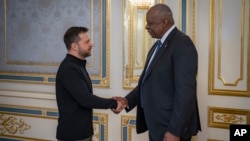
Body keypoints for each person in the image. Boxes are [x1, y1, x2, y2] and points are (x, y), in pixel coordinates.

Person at [113, 3, 201, 141]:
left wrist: (175, 131)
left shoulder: (182, 44)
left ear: (165, 22)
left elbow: (186, 92)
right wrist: (126, 101)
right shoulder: (157, 46)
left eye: (150, 23)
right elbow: (147, 83)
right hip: (157, 125)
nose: (146, 27)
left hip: (170, 127)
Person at [56, 26, 123, 141]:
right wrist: (113, 103)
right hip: (73, 135)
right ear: (74, 46)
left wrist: (113, 102)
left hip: (81, 133)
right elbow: (85, 99)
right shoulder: (69, 69)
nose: (92, 44)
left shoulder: (77, 65)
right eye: (87, 41)